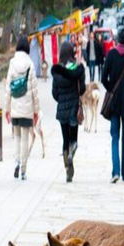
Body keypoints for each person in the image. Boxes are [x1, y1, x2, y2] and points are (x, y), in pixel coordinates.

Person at [102, 28, 124, 183]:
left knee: (114, 137)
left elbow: (103, 77)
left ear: (117, 40)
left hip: (114, 104)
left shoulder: (110, 55)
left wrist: (111, 89)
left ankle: (115, 171)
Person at [5, 35, 40, 180]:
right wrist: (36, 111)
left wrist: (7, 109)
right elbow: (34, 90)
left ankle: (16, 162)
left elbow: (8, 88)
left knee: (17, 137)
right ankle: (24, 170)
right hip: (27, 108)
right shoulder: (30, 64)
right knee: (25, 137)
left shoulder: (12, 63)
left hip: (15, 105)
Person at [52, 41, 86, 183]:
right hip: (74, 107)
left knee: (65, 139)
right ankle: (72, 152)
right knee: (74, 139)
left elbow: (55, 93)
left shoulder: (58, 70)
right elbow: (82, 89)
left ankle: (67, 168)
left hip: (62, 110)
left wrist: (61, 99)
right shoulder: (77, 69)